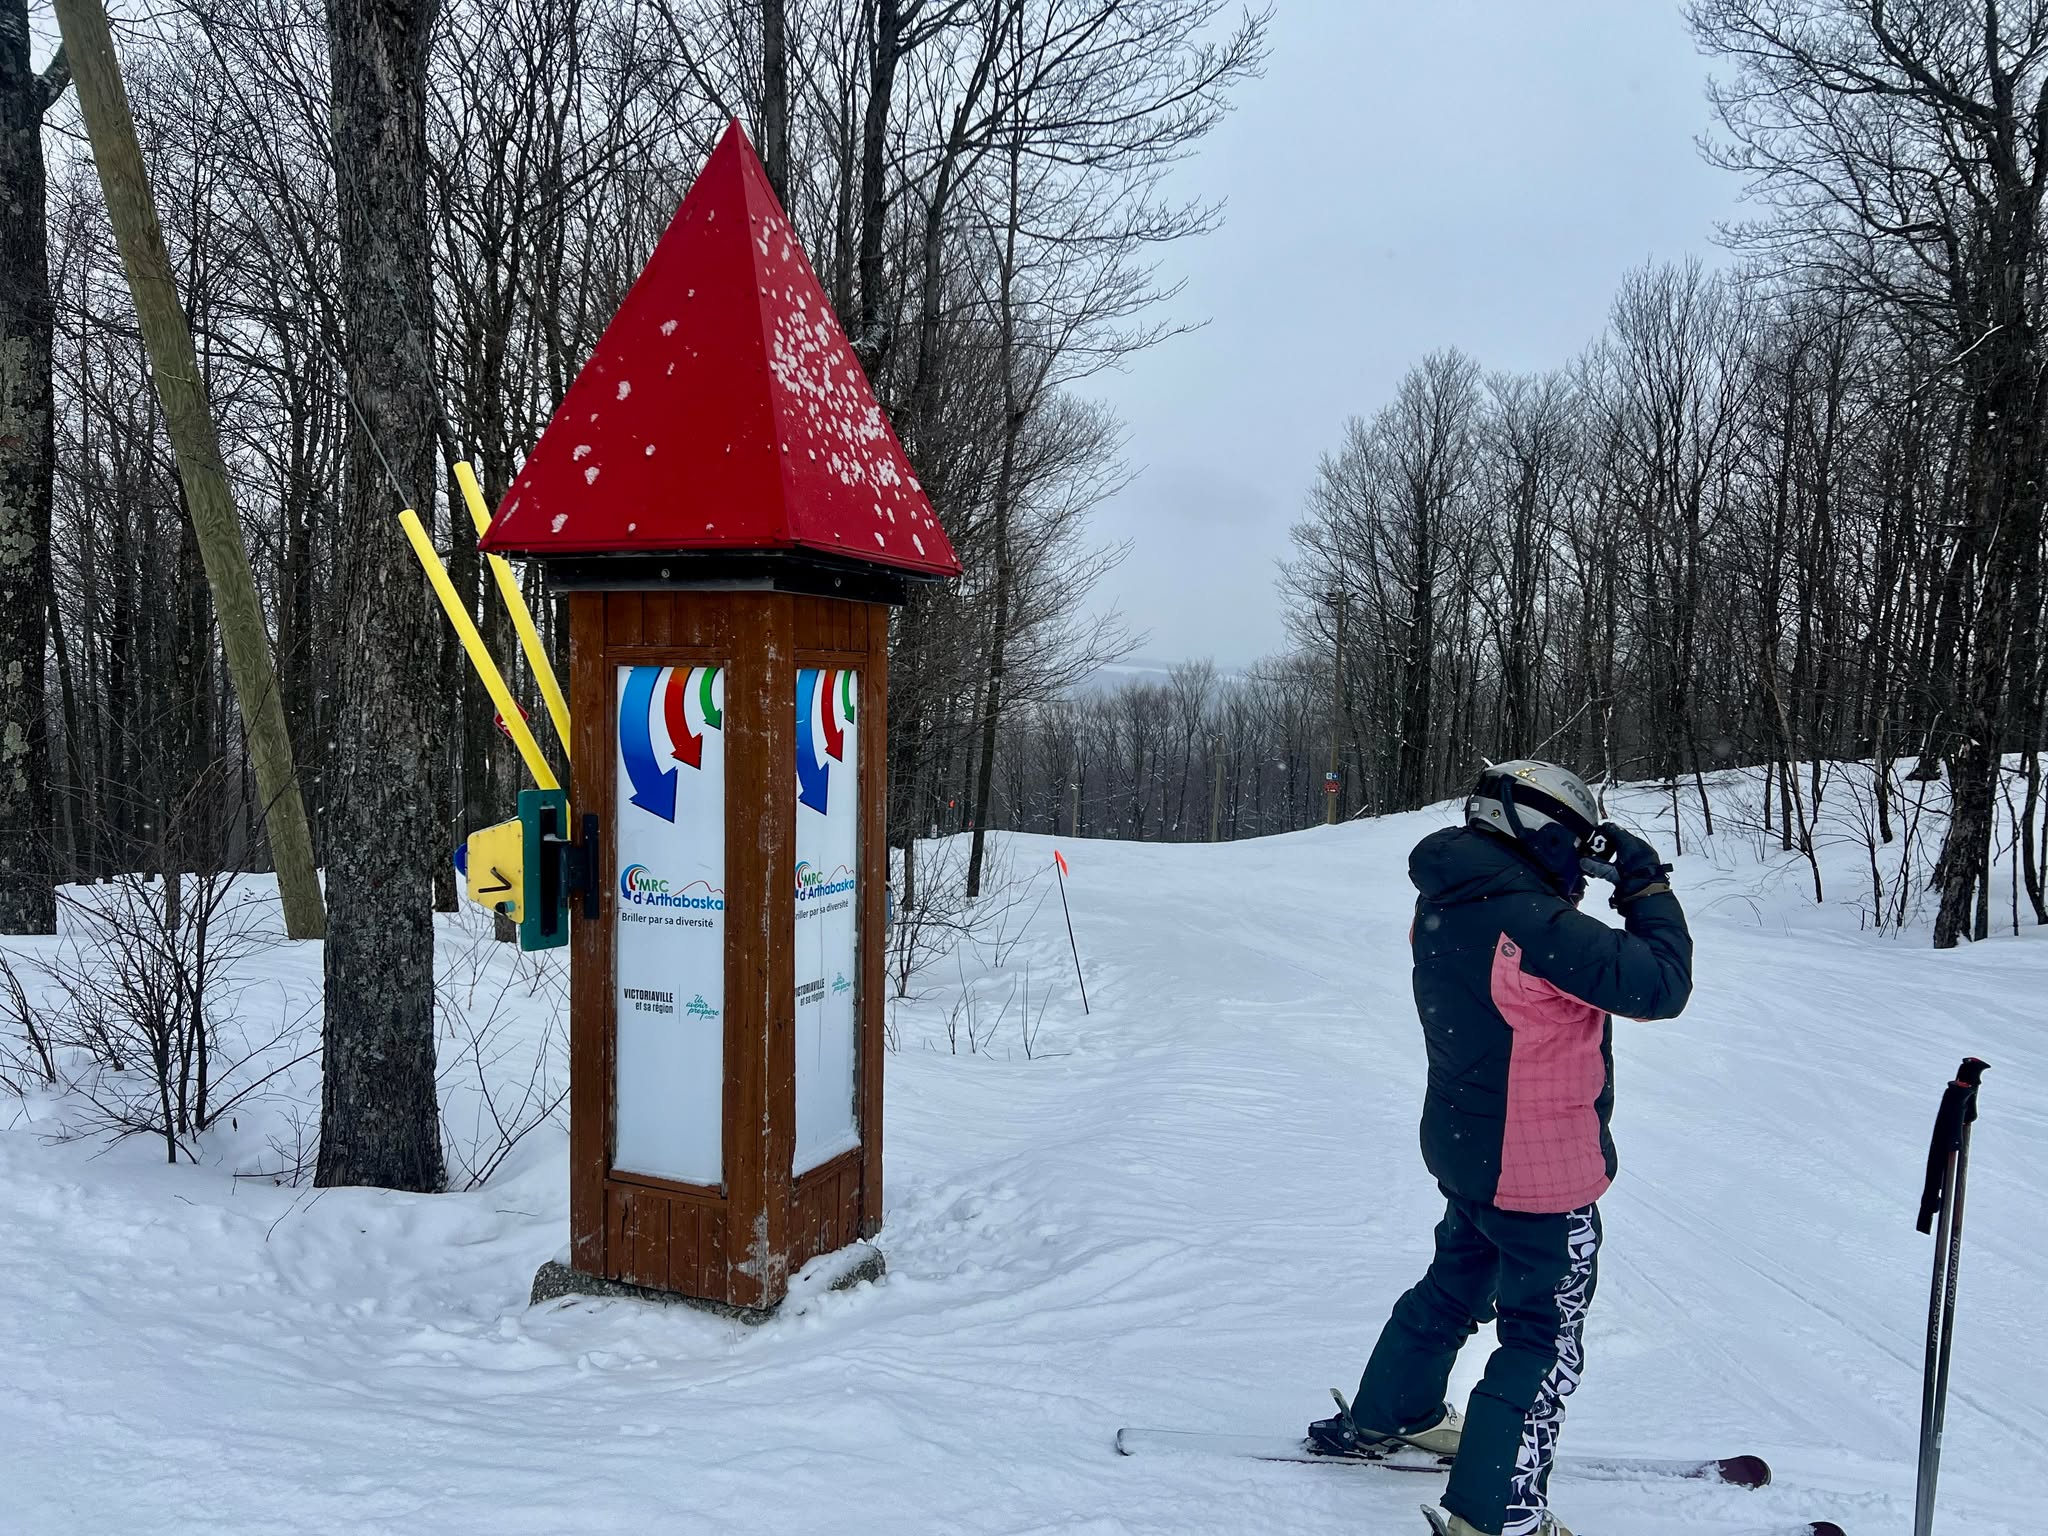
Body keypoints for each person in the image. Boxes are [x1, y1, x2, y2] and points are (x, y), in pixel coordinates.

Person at [1307, 760, 1694, 1536]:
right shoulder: (1535, 924)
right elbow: (1661, 987)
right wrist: (1646, 889)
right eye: (1573, 845)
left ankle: (1395, 1414)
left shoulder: (1447, 898)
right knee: (1542, 1339)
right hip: (1541, 1173)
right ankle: (1495, 1515)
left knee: (1452, 1286)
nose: (1579, 863)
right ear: (1541, 835)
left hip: (1469, 1150)